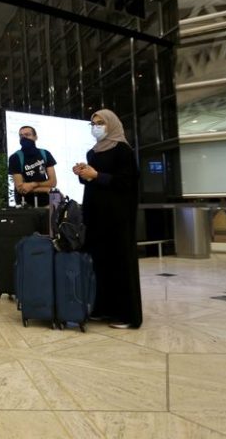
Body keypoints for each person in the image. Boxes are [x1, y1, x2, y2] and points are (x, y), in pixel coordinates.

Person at [73, 109, 142, 329]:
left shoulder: (123, 150)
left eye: (100, 122)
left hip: (117, 217)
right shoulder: (92, 152)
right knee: (98, 263)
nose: (96, 127)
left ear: (111, 124)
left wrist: (96, 175)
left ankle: (125, 315)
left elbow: (126, 182)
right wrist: (83, 174)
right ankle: (102, 309)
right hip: (95, 216)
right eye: (93, 123)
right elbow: (93, 181)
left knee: (119, 263)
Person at [8, 125, 58, 207]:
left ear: (35, 137)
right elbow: (21, 188)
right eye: (21, 136)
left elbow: (53, 182)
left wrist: (33, 185)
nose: (24, 138)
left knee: (57, 196)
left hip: (47, 201)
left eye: (27, 135)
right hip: (25, 203)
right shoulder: (15, 157)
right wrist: (46, 189)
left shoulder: (45, 154)